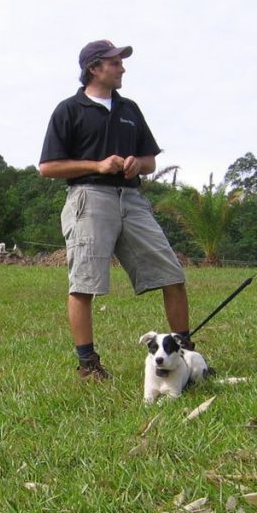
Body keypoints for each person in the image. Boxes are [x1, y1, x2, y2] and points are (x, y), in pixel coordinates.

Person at [39, 40, 190, 380]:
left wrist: (140, 163)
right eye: (115, 62)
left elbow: (151, 160)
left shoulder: (130, 110)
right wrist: (97, 164)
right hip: (88, 197)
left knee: (173, 275)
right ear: (94, 68)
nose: (122, 67)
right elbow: (47, 167)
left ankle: (188, 355)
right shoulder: (69, 110)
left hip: (132, 199)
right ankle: (88, 364)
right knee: (84, 283)